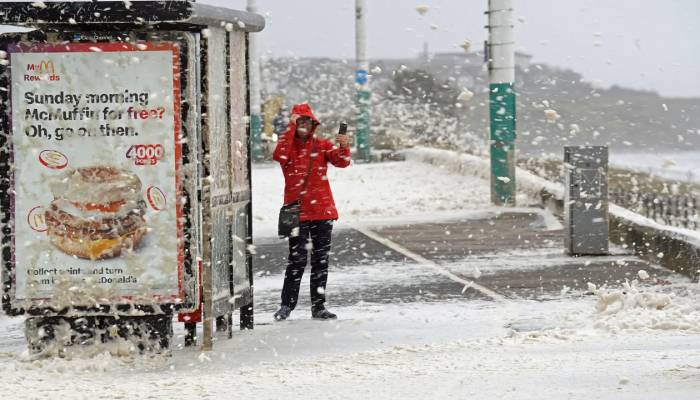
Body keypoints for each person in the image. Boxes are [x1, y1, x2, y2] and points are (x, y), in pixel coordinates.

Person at [272, 103, 351, 321]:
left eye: (308, 121)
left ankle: (318, 306)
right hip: (297, 212)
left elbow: (342, 162)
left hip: (322, 211)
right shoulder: (287, 146)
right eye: (300, 122)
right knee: (296, 261)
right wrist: (290, 128)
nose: (304, 125)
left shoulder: (322, 145)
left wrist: (344, 146)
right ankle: (287, 305)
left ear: (314, 124)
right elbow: (279, 156)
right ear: (293, 124)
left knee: (320, 261)